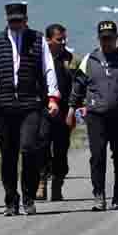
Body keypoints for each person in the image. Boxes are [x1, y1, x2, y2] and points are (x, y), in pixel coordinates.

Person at [0, 2, 60, 217]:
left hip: (30, 103)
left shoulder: (38, 39)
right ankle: (11, 200)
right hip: (4, 104)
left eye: (19, 20)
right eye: (12, 21)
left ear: (26, 20)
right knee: (8, 155)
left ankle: (28, 197)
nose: (16, 24)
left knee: (28, 149)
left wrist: (53, 97)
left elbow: (48, 68)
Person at [67, 21, 118, 210]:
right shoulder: (90, 59)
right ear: (98, 38)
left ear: (116, 38)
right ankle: (98, 195)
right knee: (98, 156)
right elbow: (78, 86)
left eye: (110, 37)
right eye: (103, 38)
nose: (107, 41)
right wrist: (71, 109)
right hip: (96, 115)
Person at [39, 23, 73, 201]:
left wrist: (73, 110)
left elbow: (76, 85)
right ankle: (42, 182)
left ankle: (58, 183)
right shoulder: (39, 58)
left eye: (64, 39)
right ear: (48, 40)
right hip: (43, 109)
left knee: (61, 149)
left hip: (64, 111)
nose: (63, 42)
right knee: (42, 144)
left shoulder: (69, 59)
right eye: (59, 39)